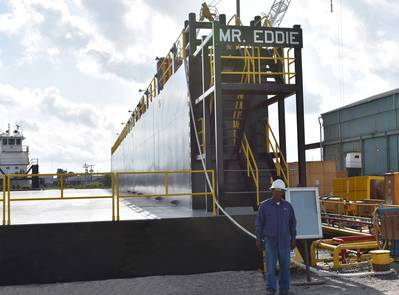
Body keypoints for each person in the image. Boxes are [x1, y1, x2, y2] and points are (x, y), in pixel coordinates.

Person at [255, 179, 297, 295]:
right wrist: (258, 239)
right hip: (270, 241)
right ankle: (271, 290)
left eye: (281, 191)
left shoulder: (288, 207)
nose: (278, 193)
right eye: (276, 191)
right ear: (272, 191)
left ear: (283, 192)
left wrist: (293, 239)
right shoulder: (264, 206)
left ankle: (284, 290)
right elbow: (259, 224)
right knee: (270, 267)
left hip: (284, 242)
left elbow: (292, 224)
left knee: (285, 267)